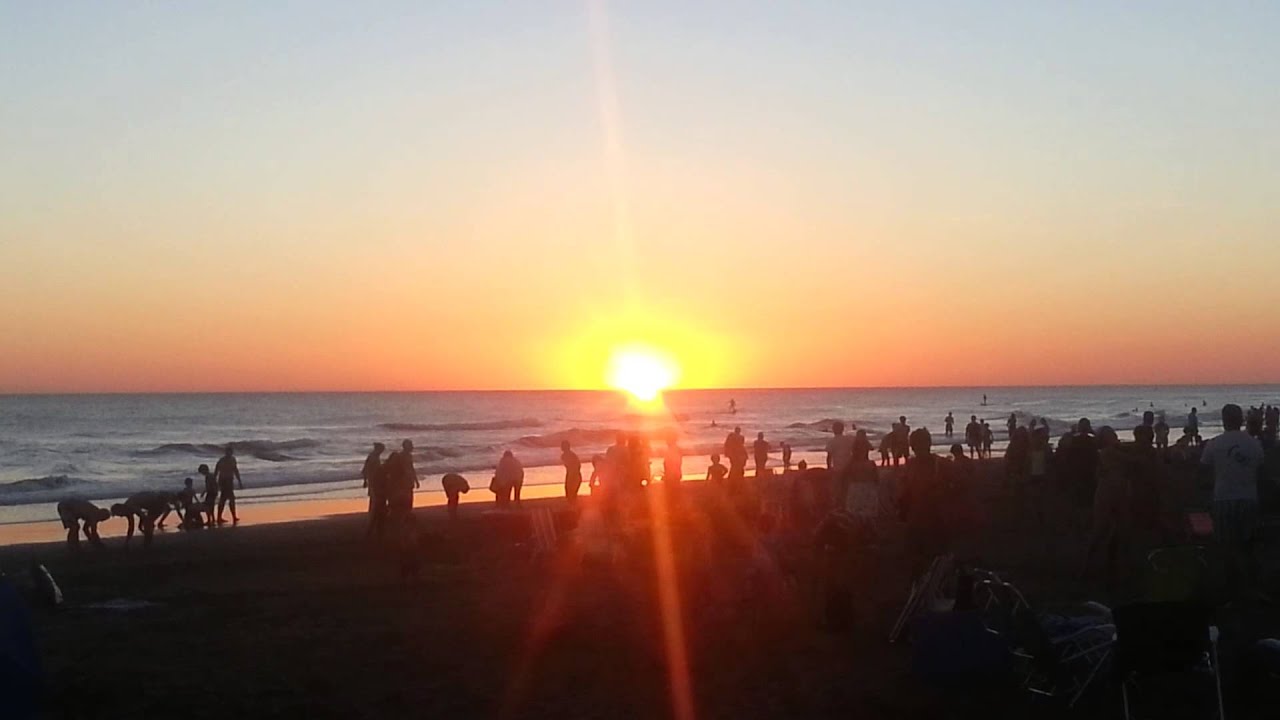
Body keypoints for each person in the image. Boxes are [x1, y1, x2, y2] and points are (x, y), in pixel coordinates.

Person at [1200, 403, 1265, 593]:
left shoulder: (1214, 443)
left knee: (1226, 545)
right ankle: (1252, 587)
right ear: (1241, 420)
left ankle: (1231, 588)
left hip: (1223, 499)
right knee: (1248, 545)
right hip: (1249, 498)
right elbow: (1261, 473)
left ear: (1223, 420)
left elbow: (1203, 471)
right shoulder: (1254, 444)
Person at [899, 428, 951, 573]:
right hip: (925, 513)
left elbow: (905, 488)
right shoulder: (937, 463)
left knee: (929, 553)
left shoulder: (938, 464)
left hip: (931, 513)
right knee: (924, 553)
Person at [1085, 427, 1130, 588]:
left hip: (1115, 492)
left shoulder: (1108, 452)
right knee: (1101, 529)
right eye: (1112, 435)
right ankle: (1089, 563)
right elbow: (1131, 460)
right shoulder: (1108, 452)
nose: (1116, 436)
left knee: (1115, 529)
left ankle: (1108, 563)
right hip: (1108, 493)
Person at [112, 491, 179, 546]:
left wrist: (142, 526)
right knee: (148, 523)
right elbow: (131, 525)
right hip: (153, 503)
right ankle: (148, 542)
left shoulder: (130, 506)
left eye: (119, 514)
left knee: (148, 524)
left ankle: (148, 543)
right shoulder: (128, 508)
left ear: (121, 509)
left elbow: (143, 516)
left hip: (158, 500)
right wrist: (127, 542)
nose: (120, 516)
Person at [826, 421, 855, 508]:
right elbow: (854, 452)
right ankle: (847, 504)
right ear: (842, 429)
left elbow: (829, 456)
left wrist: (829, 468)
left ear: (833, 430)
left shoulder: (832, 441)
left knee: (837, 488)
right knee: (847, 487)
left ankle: (838, 505)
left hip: (837, 468)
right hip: (849, 466)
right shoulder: (849, 439)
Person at [362, 442, 387, 537]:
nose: (382, 452)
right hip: (374, 484)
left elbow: (365, 470)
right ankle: (370, 530)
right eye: (381, 450)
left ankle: (374, 529)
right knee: (375, 506)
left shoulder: (374, 457)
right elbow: (366, 470)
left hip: (375, 483)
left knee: (375, 506)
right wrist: (366, 481)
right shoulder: (373, 457)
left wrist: (365, 481)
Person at [214, 444, 243, 524]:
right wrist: (214, 482)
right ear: (225, 452)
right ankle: (221, 517)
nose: (229, 453)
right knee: (226, 499)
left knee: (229, 499)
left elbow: (235, 470)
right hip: (223, 481)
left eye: (230, 452)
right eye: (228, 452)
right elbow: (216, 471)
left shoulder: (233, 459)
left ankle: (231, 516)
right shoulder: (221, 460)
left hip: (230, 480)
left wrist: (239, 481)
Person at [561, 440, 582, 504]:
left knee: (571, 492)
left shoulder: (565, 456)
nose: (561, 448)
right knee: (571, 493)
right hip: (574, 474)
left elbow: (574, 466)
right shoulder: (568, 455)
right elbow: (578, 465)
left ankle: (572, 506)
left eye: (562, 446)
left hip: (574, 475)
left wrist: (572, 475)